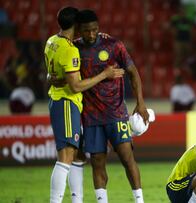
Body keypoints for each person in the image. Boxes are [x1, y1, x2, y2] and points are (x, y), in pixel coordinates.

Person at [45, 7, 123, 203]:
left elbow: (50, 73)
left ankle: (76, 200)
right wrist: (104, 75)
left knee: (77, 156)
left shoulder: (52, 41)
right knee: (66, 156)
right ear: (77, 26)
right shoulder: (70, 49)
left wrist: (55, 78)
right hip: (66, 102)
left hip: (61, 101)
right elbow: (76, 86)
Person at [74, 9, 149, 203]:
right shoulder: (74, 50)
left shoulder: (113, 45)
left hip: (116, 113)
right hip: (91, 117)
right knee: (97, 163)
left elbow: (133, 72)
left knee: (127, 158)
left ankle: (139, 201)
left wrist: (140, 103)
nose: (91, 34)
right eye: (86, 31)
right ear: (79, 30)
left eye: (94, 30)